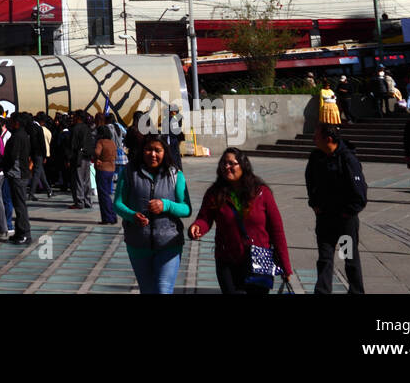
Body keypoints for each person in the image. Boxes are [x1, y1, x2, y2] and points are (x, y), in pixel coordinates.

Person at [189, 148, 292, 294]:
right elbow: (205, 218)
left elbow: (277, 230)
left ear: (243, 166)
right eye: (223, 163)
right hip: (227, 260)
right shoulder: (215, 192)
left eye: (232, 163)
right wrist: (198, 226)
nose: (226, 167)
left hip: (258, 261)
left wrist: (285, 267)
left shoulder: (261, 193)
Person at [113, 134, 191, 294]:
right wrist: (132, 215)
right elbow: (118, 203)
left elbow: (186, 208)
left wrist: (166, 205)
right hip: (138, 243)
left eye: (158, 150)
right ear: (142, 150)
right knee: (147, 290)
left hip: (169, 243)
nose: (153, 154)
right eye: (148, 149)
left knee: (163, 290)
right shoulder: (129, 172)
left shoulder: (175, 175)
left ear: (165, 152)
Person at [305, 123, 367, 294]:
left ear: (329, 139)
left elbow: (360, 193)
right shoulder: (316, 157)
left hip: (345, 220)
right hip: (325, 218)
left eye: (316, 135)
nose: (313, 139)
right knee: (325, 258)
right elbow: (310, 182)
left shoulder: (347, 159)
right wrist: (314, 204)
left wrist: (348, 212)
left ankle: (356, 291)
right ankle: (322, 291)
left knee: (348, 257)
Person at [3, 113, 33, 244]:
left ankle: (25, 233)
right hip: (21, 173)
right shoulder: (24, 135)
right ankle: (20, 231)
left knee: (20, 205)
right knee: (18, 204)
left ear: (17, 122)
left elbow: (12, 156)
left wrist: (4, 167)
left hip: (17, 174)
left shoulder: (16, 137)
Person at [94, 124, 120, 224]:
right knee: (107, 194)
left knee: (103, 195)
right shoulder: (112, 143)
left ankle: (107, 217)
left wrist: (99, 158)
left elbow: (97, 152)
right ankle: (113, 216)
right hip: (111, 169)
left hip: (102, 169)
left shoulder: (100, 142)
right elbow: (116, 156)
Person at [68, 111, 94, 209]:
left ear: (78, 118)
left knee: (78, 180)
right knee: (87, 180)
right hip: (87, 157)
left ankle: (79, 201)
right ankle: (88, 201)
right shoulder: (87, 128)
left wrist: (69, 157)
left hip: (78, 157)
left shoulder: (76, 128)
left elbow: (73, 145)